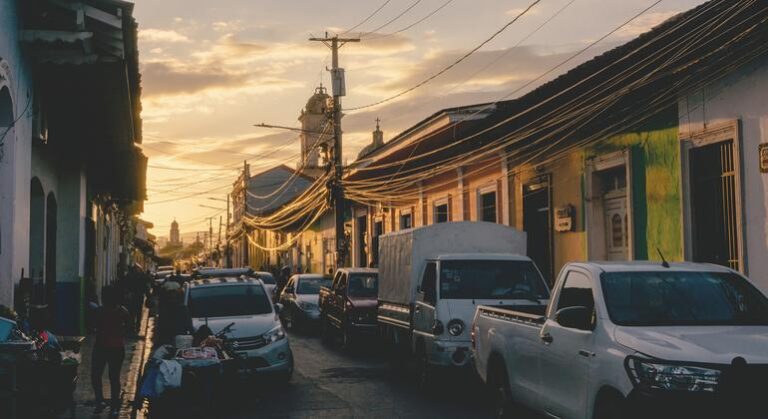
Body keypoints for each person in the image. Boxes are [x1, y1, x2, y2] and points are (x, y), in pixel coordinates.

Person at [92, 286, 134, 416]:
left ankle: (100, 401)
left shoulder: (99, 311)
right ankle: (114, 407)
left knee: (96, 375)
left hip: (101, 347)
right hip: (117, 348)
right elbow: (130, 327)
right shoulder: (122, 311)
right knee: (114, 377)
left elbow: (92, 326)